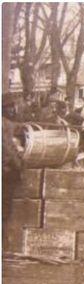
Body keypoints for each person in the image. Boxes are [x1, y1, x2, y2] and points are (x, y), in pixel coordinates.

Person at [2, 97, 23, 246]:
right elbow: (7, 149)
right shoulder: (5, 125)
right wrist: (19, 165)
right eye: (11, 107)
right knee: (4, 207)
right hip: (5, 172)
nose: (13, 110)